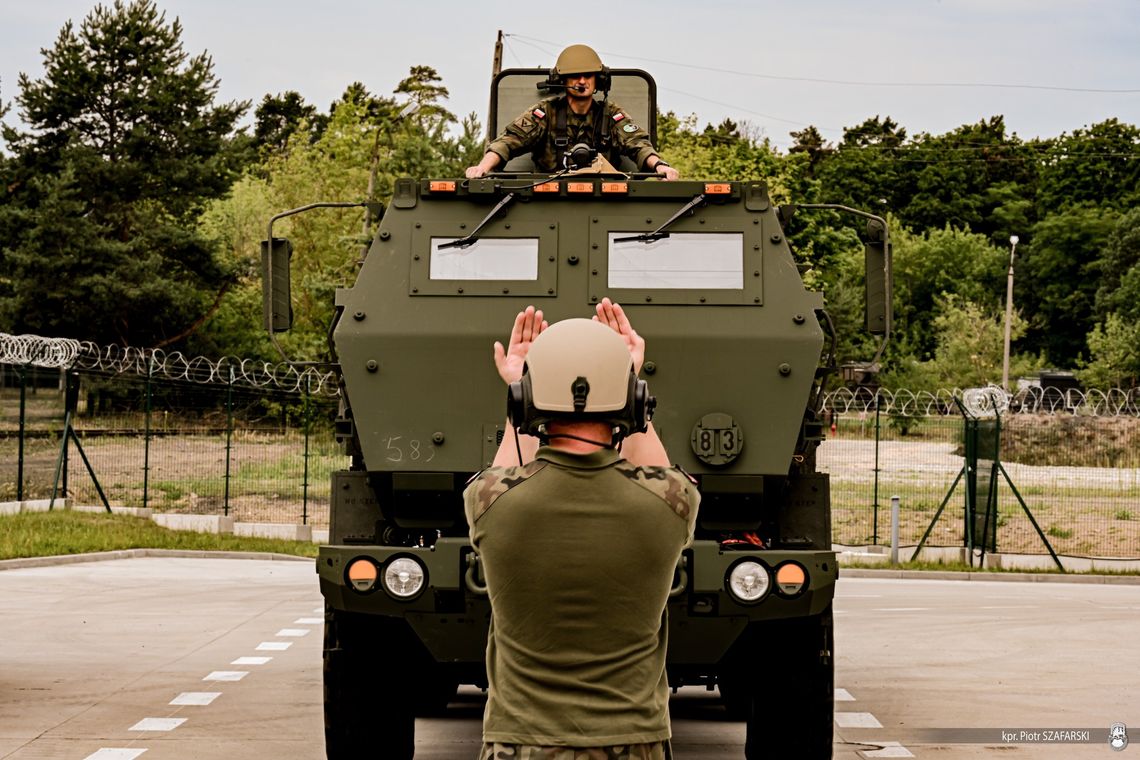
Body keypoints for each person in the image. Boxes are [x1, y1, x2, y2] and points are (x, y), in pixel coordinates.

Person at [463, 298, 699, 760]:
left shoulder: (493, 504)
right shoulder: (667, 506)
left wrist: (521, 385)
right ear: (633, 403)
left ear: (524, 405)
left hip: (521, 743)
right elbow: (664, 476)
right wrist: (627, 376)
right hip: (634, 742)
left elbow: (504, 475)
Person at [466, 44, 680, 181]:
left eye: (588, 75)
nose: (582, 81)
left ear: (599, 80)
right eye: (575, 75)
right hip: (549, 199)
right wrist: (482, 167)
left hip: (603, 201)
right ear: (563, 81)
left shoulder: (610, 114)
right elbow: (509, 141)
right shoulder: (545, 112)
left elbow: (638, 144)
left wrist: (660, 166)